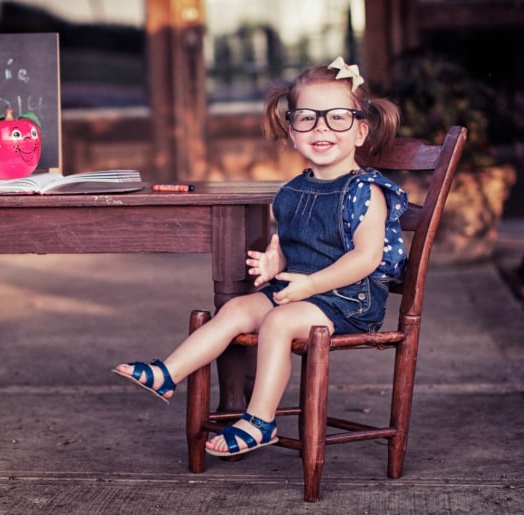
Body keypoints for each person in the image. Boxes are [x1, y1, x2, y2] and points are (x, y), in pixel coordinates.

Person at [113, 57, 408, 457]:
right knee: (236, 308)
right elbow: (292, 244)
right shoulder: (291, 191)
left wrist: (312, 284)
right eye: (307, 118)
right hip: (300, 289)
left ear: (360, 131)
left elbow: (366, 258)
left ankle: (259, 420)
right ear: (291, 129)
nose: (321, 127)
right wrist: (276, 263)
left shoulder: (365, 191)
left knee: (278, 321)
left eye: (337, 118)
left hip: (349, 298)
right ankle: (169, 373)